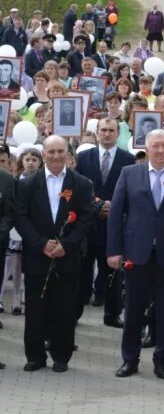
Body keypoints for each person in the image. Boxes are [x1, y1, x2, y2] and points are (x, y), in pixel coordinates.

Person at [107, 129, 164, 379]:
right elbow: (116, 214)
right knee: (134, 309)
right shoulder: (129, 174)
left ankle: (162, 361)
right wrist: (114, 250)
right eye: (155, 146)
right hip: (137, 254)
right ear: (147, 148)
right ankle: (130, 360)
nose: (160, 150)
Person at [15, 136, 95, 372]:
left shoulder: (80, 183)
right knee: (35, 309)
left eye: (61, 151)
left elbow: (86, 218)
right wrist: (41, 244)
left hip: (66, 257)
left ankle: (61, 355)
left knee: (64, 308)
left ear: (68, 154)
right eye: (51, 152)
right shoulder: (28, 184)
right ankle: (35, 356)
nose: (56, 156)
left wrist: (66, 244)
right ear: (44, 154)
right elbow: (21, 217)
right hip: (38, 256)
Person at [75, 119, 135, 326]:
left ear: (118, 133)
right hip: (87, 225)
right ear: (97, 132)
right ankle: (74, 313)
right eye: (104, 130)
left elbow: (131, 191)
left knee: (113, 274)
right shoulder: (83, 157)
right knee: (82, 272)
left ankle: (112, 314)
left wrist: (113, 207)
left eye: (111, 130)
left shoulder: (128, 159)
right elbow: (78, 188)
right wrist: (98, 206)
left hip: (114, 225)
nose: (107, 134)